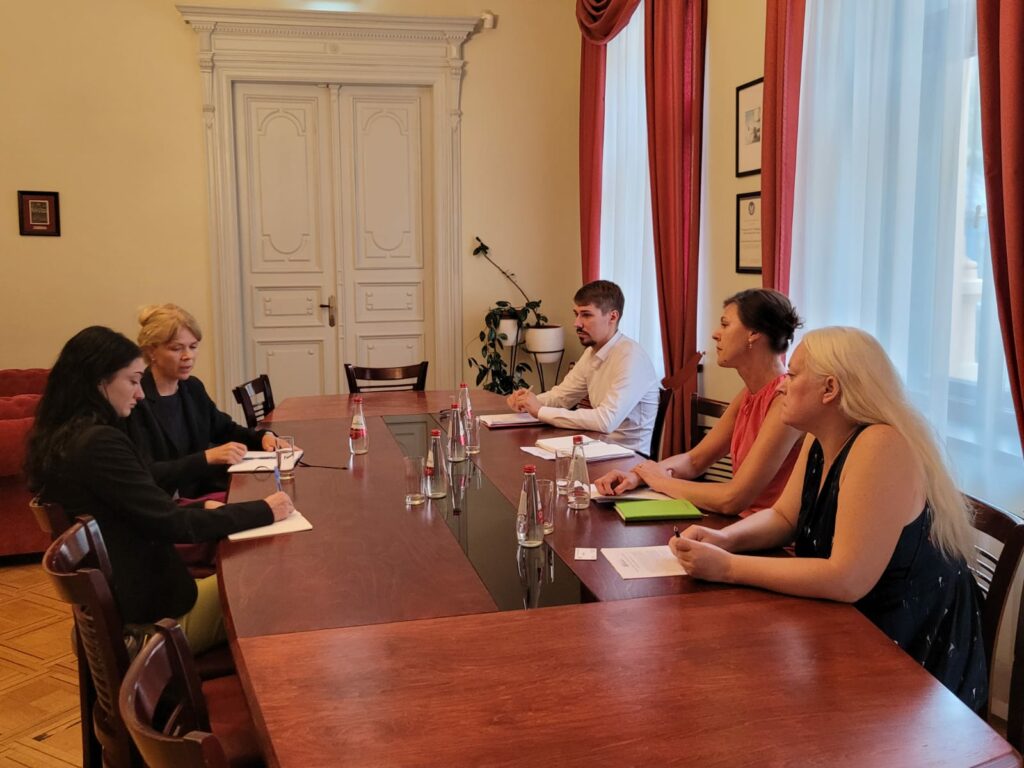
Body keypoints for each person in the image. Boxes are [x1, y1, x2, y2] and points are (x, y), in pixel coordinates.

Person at [669, 327, 987, 711]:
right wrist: (724, 539)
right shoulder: (822, 437)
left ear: (830, 389)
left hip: (911, 648)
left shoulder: (880, 445)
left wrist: (729, 567)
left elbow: (846, 578)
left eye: (793, 375)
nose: (782, 385)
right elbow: (785, 516)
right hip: (853, 625)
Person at [26, 326, 294, 654]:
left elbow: (127, 513)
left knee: (255, 574)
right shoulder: (99, 444)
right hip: (156, 628)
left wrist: (196, 509)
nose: (140, 394)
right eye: (133, 380)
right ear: (99, 383)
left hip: (126, 613)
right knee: (281, 584)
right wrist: (267, 510)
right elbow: (171, 524)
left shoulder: (63, 439)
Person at [595, 289, 803, 516]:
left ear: (753, 334)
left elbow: (733, 499)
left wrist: (659, 481)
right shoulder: (749, 393)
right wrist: (636, 475)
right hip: (738, 525)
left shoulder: (785, 399)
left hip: (766, 538)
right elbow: (695, 460)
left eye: (725, 325)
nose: (716, 334)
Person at [126, 304, 279, 499]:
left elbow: (225, 429)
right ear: (151, 351)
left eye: (193, 347)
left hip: (203, 489)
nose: (187, 356)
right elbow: (149, 473)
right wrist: (207, 458)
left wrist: (263, 437)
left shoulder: (192, 387)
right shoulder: (137, 400)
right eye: (176, 348)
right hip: (169, 502)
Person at [506, 280, 659, 453]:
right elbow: (562, 396)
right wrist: (528, 402)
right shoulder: (592, 352)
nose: (576, 323)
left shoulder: (631, 356)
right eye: (576, 314)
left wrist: (540, 410)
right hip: (597, 448)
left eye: (586, 315)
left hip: (628, 459)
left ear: (612, 316)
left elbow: (605, 420)